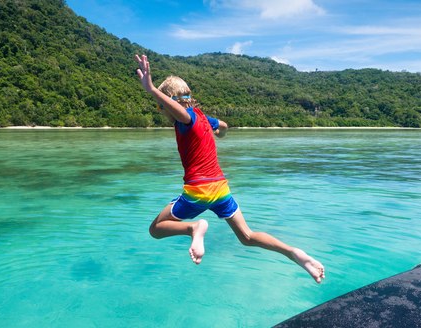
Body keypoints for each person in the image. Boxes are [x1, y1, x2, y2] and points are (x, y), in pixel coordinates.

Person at [135, 54, 325, 283]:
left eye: (161, 107)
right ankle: (294, 253)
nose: (162, 111)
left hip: (199, 191)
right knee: (247, 236)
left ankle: (194, 228)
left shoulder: (186, 120)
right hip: (221, 189)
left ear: (169, 103)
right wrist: (221, 133)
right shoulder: (205, 119)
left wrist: (151, 88)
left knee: (155, 229)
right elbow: (223, 125)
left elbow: (180, 112)